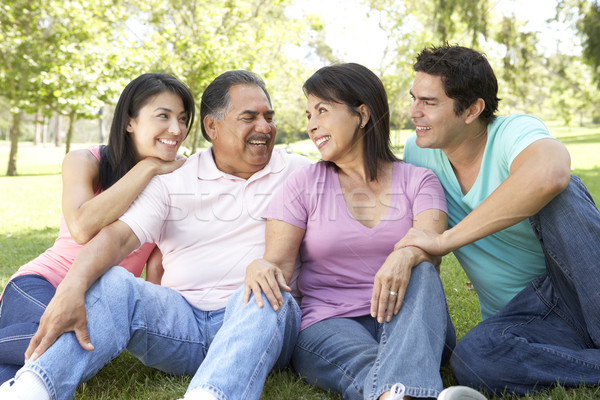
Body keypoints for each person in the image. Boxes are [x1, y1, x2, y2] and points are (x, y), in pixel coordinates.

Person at [0, 70, 309, 400]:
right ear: (212, 127)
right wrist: (73, 286)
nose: (264, 127)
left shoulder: (298, 172)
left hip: (255, 321)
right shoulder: (172, 176)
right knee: (116, 281)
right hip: (182, 325)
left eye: (268, 117)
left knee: (264, 291)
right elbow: (115, 238)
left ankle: (208, 395)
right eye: (249, 117)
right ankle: (33, 388)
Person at [243, 63, 456, 400]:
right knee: (365, 362)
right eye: (309, 114)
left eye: (323, 110)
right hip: (330, 321)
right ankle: (402, 392)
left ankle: (397, 389)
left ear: (362, 114)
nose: (311, 124)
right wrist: (259, 266)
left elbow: (430, 247)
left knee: (422, 271)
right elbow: (278, 267)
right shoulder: (302, 185)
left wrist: (406, 255)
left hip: (409, 320)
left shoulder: (420, 181)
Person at [398, 44, 600, 396]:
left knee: (561, 194)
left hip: (578, 286)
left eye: (428, 102)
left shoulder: (512, 132)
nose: (414, 112)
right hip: (524, 318)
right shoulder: (417, 152)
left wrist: (447, 240)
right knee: (474, 359)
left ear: (473, 109)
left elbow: (550, 173)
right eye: (414, 98)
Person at [0, 72, 194, 383]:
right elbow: (81, 226)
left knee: (30, 368)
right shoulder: (85, 160)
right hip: (43, 283)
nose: (176, 129)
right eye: (163, 116)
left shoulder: (174, 182)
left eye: (182, 119)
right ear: (129, 121)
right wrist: (148, 168)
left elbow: (159, 264)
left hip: (99, 302)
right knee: (60, 343)